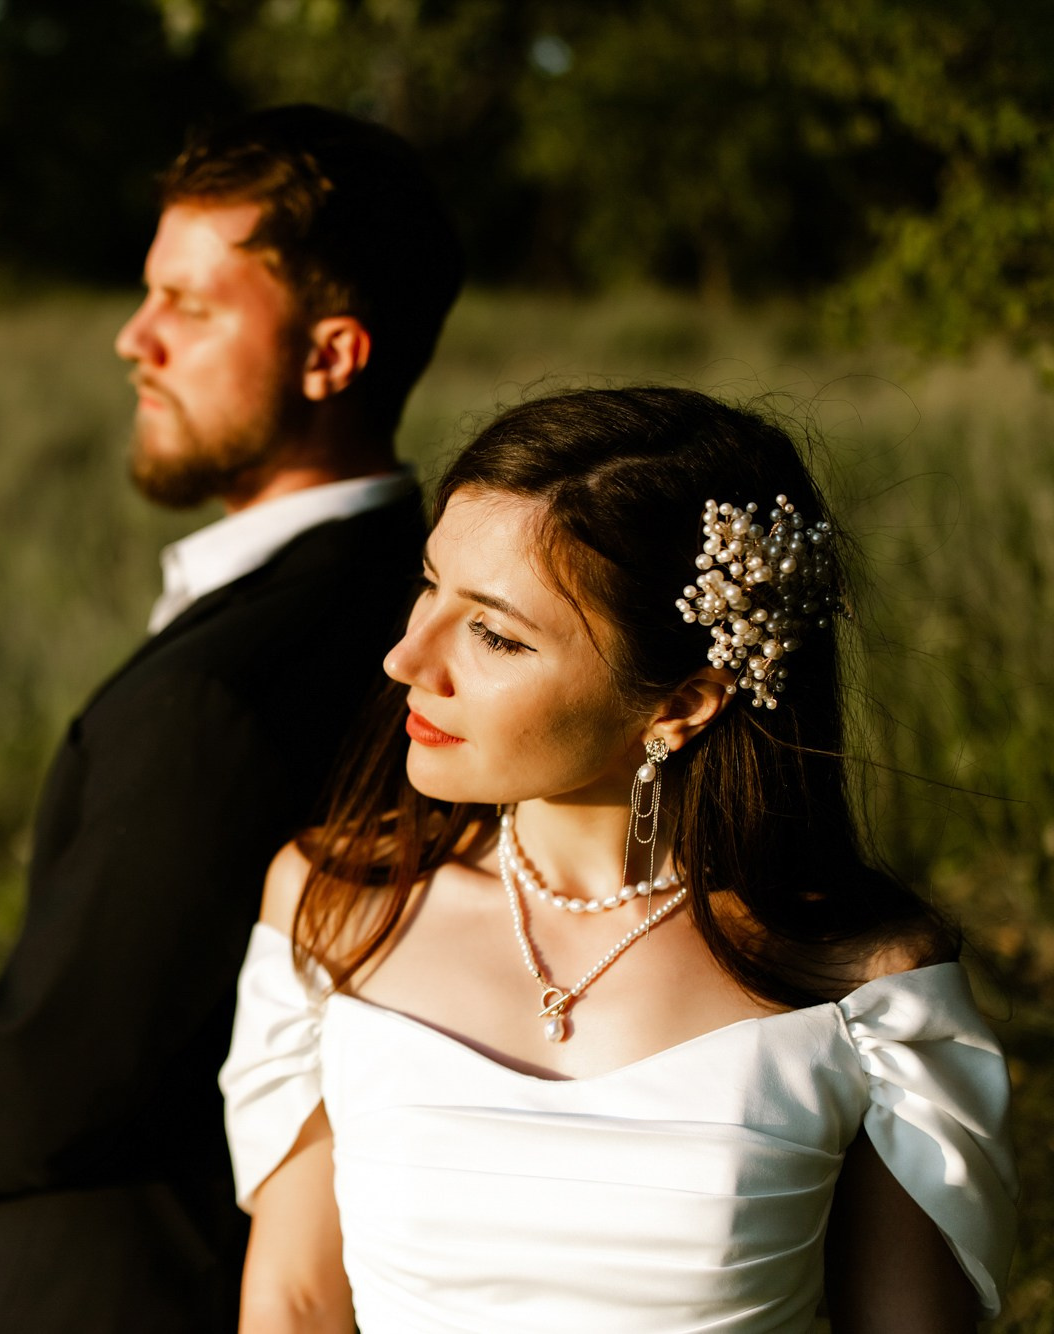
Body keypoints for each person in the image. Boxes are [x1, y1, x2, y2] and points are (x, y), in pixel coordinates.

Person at [221, 387, 1017, 1332]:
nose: (405, 656)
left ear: (681, 702)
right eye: (429, 585)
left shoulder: (863, 989)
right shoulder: (341, 904)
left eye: (494, 633)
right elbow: (296, 1303)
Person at [0, 105, 463, 1331]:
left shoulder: (222, 689)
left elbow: (79, 1056)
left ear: (332, 355)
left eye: (189, 307)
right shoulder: (421, 594)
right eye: (147, 294)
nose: (133, 338)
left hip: (139, 1278)